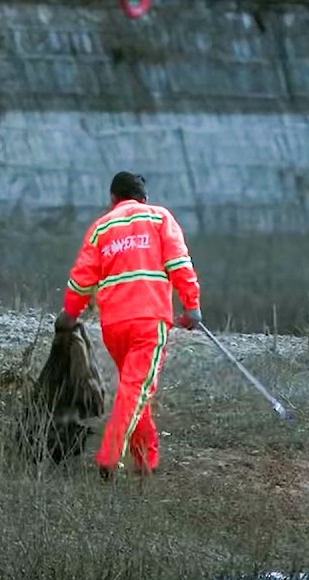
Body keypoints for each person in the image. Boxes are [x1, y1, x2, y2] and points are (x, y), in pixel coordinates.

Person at [54, 171, 202, 481]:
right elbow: (178, 263)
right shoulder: (160, 218)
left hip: (114, 326)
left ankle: (146, 463)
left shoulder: (101, 227)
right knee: (137, 388)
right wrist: (192, 308)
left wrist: (69, 315)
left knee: (135, 389)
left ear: (112, 199)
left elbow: (81, 278)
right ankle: (109, 456)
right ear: (143, 198)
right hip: (149, 322)